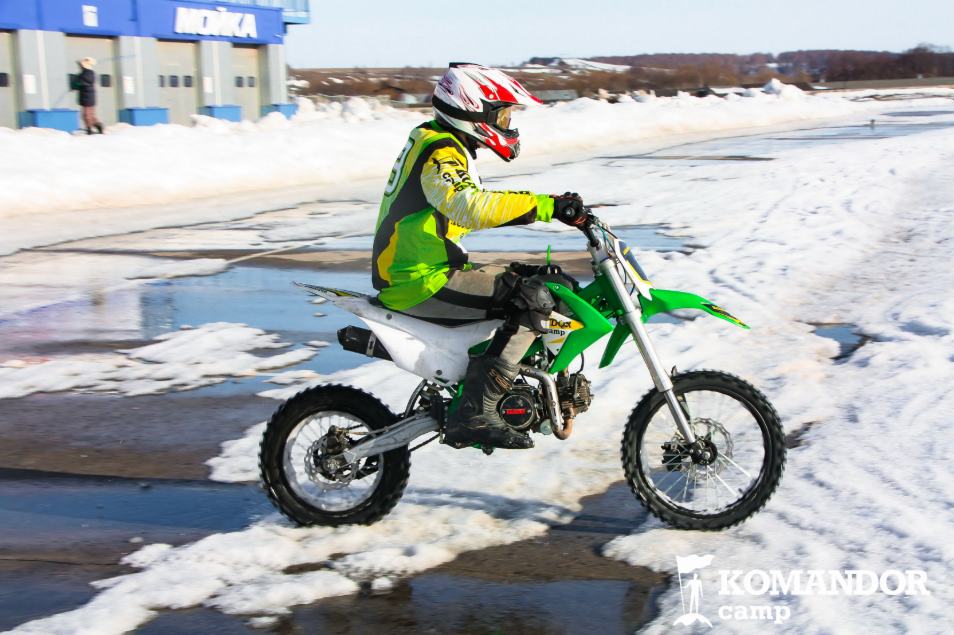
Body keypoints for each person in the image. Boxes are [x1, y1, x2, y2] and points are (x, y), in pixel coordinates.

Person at [371, 63, 589, 451]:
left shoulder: (440, 141)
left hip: (437, 268)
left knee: (552, 284)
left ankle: (528, 390)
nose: (508, 123)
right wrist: (546, 206)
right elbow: (466, 205)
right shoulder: (439, 148)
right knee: (531, 299)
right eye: (502, 114)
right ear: (473, 110)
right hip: (420, 279)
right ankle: (476, 411)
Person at [74, 57, 103, 134]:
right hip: (87, 97)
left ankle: (90, 129)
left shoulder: (87, 74)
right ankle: (98, 126)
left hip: (87, 97)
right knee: (90, 115)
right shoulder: (86, 74)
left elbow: (82, 82)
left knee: (87, 115)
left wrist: (76, 85)